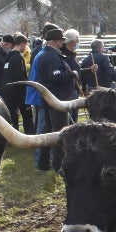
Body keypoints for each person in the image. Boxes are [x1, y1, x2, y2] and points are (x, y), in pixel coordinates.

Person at [30, 26, 79, 173]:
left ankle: (44, 165)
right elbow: (55, 77)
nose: (62, 44)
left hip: (52, 100)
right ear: (56, 42)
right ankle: (58, 165)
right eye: (60, 41)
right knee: (59, 133)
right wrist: (71, 74)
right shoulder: (51, 56)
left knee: (50, 131)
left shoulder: (46, 54)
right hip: (56, 101)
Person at [0, 34, 29, 130]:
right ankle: (29, 131)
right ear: (21, 44)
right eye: (25, 45)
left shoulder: (7, 57)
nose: (25, 48)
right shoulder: (18, 58)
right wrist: (26, 84)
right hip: (18, 90)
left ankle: (13, 130)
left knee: (12, 113)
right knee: (26, 113)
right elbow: (20, 76)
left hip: (7, 90)